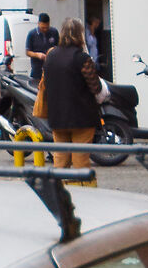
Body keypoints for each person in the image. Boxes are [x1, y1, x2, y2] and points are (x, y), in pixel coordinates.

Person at [41, 17, 104, 168]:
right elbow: (95, 87)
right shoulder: (82, 58)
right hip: (81, 117)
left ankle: (60, 189)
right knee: (80, 161)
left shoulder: (51, 57)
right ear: (80, 35)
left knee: (61, 160)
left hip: (57, 116)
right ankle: (80, 190)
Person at [26, 13, 56, 85]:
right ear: (38, 24)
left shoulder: (54, 32)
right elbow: (27, 52)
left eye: (47, 27)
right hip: (37, 70)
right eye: (43, 27)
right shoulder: (32, 34)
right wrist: (37, 55)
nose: (45, 29)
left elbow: (59, 48)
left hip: (51, 69)